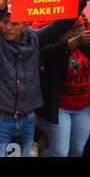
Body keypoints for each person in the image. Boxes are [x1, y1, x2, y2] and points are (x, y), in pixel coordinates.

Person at [0, 0, 89, 157]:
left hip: (28, 119)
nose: (7, 27)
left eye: (14, 23)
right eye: (4, 22)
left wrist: (77, 0)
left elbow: (59, 26)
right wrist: (2, 4)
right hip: (0, 120)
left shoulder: (35, 39)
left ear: (25, 25)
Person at [38, 16, 90, 156]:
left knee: (77, 151)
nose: (81, 34)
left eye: (82, 29)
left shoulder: (86, 47)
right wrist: (75, 41)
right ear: (62, 32)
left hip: (83, 109)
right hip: (60, 109)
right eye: (75, 31)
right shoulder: (52, 49)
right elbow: (47, 54)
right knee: (59, 152)